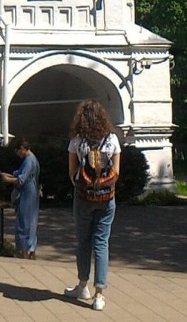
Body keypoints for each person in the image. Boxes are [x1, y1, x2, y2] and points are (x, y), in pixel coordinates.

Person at [64, 100, 120, 312]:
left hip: (83, 199)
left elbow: (71, 172)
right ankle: (99, 295)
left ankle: (82, 285)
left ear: (82, 119)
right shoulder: (112, 139)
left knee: (83, 241)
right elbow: (117, 172)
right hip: (107, 199)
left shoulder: (77, 141)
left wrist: (85, 187)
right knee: (102, 243)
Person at [1, 138, 41, 258]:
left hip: (27, 193)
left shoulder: (29, 160)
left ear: (22, 149)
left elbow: (22, 179)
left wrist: (7, 180)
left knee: (24, 221)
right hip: (32, 191)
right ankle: (31, 249)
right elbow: (21, 173)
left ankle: (24, 251)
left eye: (17, 151)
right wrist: (9, 174)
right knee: (31, 221)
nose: (17, 154)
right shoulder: (32, 159)